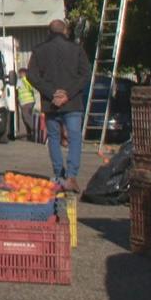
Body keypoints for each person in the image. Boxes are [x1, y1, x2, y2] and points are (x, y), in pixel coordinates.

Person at [27, 19, 91, 191]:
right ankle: (71, 176)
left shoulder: (39, 51)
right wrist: (67, 94)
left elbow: (31, 76)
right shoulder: (76, 49)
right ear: (65, 31)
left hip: (51, 104)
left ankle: (58, 174)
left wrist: (51, 93)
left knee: (54, 138)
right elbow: (85, 75)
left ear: (49, 32)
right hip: (73, 103)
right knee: (75, 137)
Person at [16, 67, 37, 142]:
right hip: (25, 102)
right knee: (25, 118)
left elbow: (30, 87)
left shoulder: (24, 80)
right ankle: (30, 134)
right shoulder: (21, 80)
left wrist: (24, 79)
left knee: (26, 117)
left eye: (20, 73)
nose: (19, 75)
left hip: (27, 101)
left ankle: (34, 131)